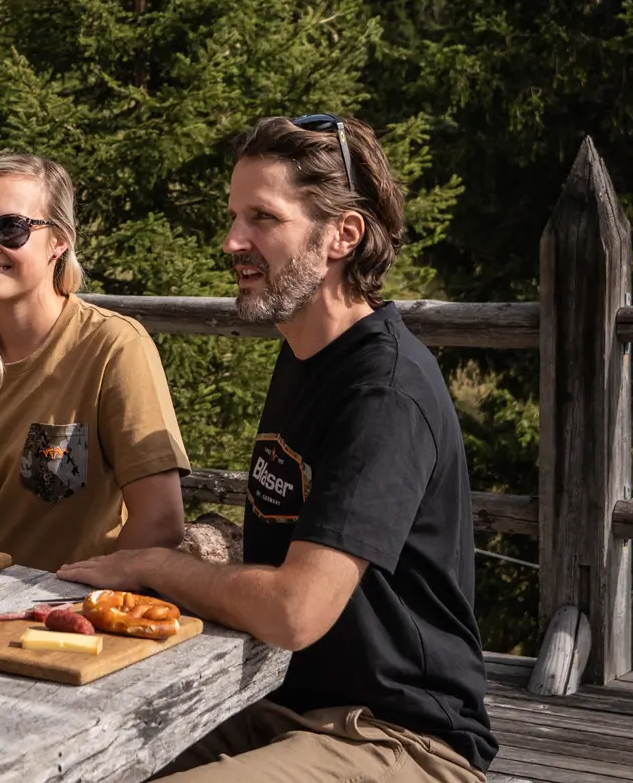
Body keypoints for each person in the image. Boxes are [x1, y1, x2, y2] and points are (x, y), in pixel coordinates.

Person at [59, 115, 497, 782]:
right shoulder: (304, 354)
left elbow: (294, 611)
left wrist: (147, 564)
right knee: (77, 762)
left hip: (401, 738)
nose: (233, 241)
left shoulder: (385, 391)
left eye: (263, 218)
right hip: (274, 704)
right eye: (234, 216)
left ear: (342, 236)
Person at [0, 154, 190, 572]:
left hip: (63, 614)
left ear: (60, 241)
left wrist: (75, 600)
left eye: (12, 228)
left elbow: (160, 520)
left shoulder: (112, 348)